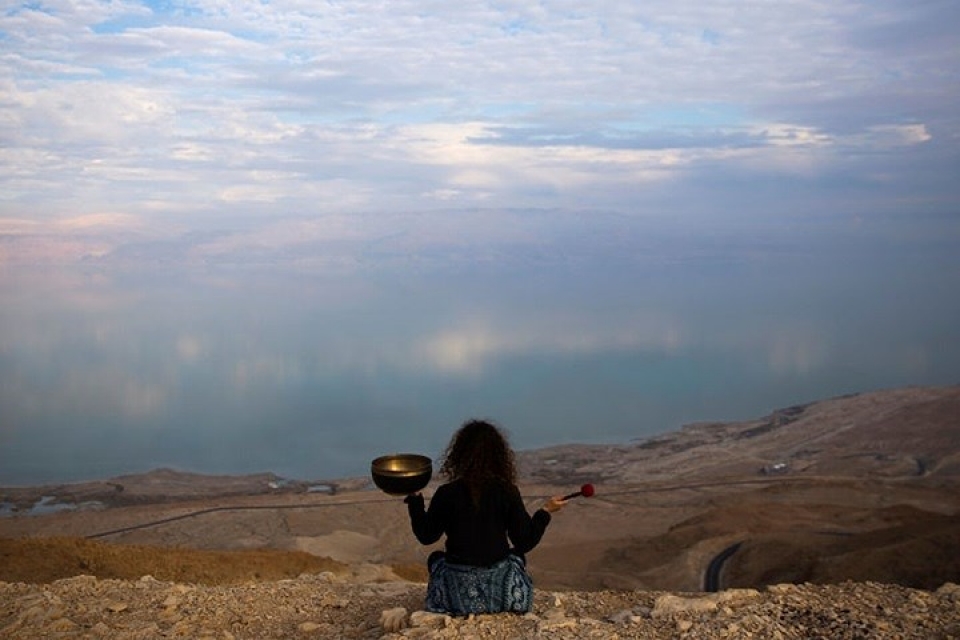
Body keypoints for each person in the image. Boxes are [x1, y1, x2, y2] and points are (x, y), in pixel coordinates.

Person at [404, 419, 568, 615]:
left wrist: (415, 499)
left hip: (457, 596)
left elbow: (426, 536)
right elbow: (524, 542)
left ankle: (454, 598)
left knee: (436, 558)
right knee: (517, 557)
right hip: (500, 595)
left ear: (459, 454)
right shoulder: (507, 491)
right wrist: (545, 511)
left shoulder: (447, 492)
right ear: (500, 455)